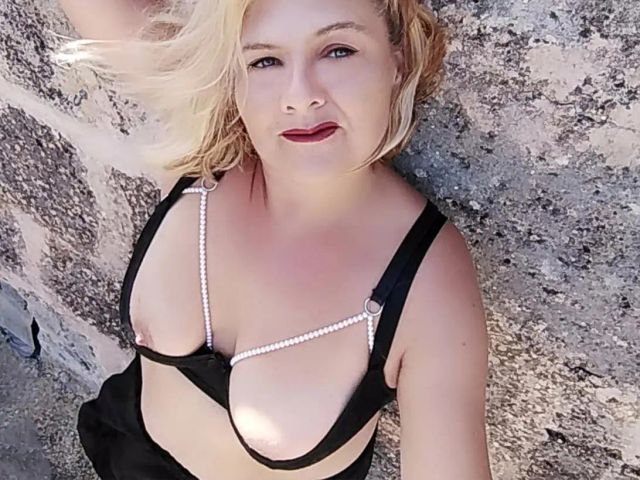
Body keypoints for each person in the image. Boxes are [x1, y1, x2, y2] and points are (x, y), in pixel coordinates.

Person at [55, 0, 493, 479]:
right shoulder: (207, 147)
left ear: (398, 60)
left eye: (338, 50)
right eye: (265, 60)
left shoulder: (428, 282)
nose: (300, 96)